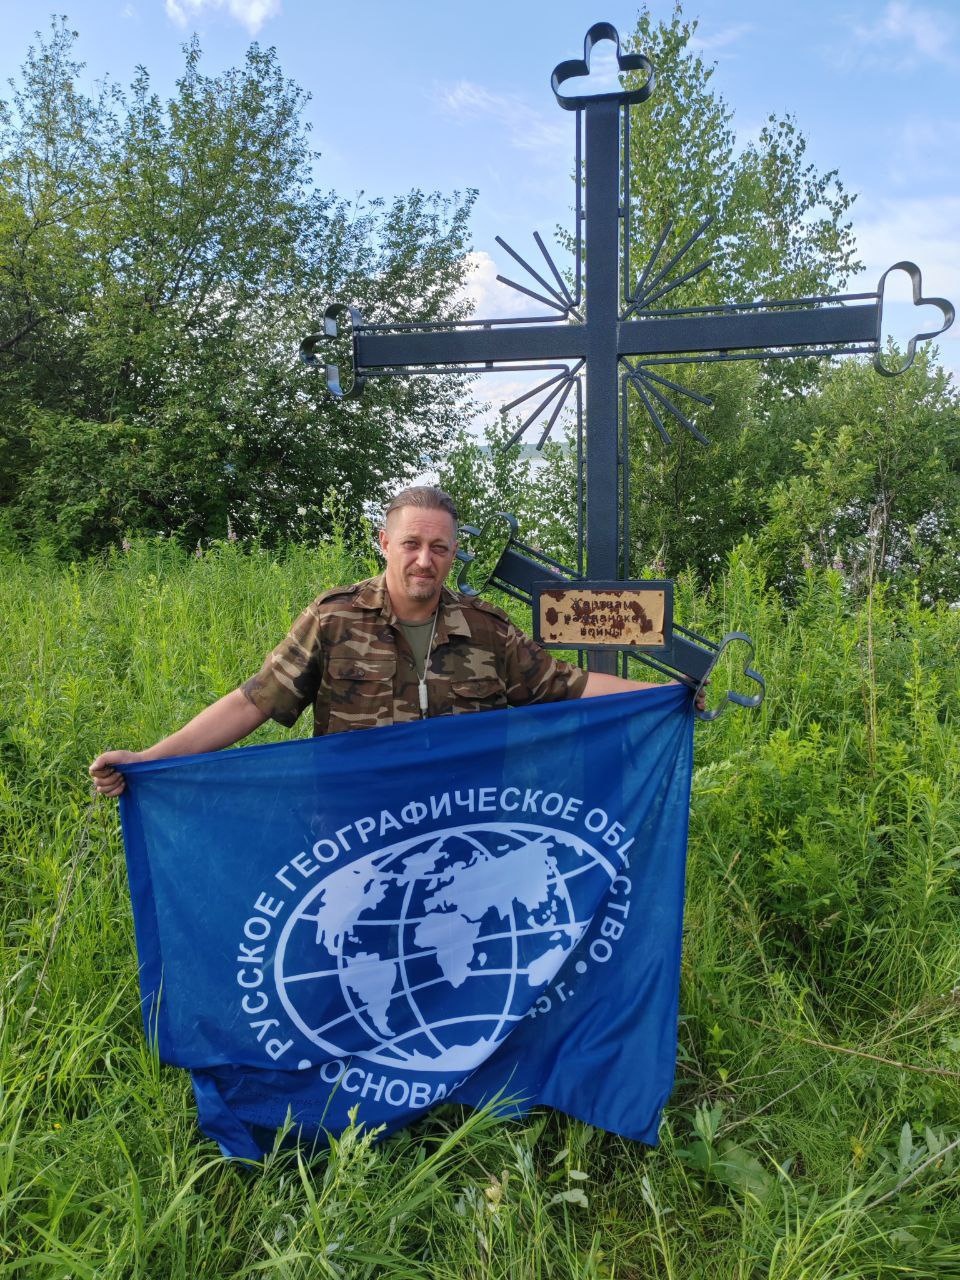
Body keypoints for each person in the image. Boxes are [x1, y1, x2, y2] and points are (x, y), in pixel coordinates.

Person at [90, 486, 696, 797]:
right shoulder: (335, 619)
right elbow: (254, 701)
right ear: (385, 543)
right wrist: (153, 757)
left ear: (453, 554)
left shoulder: (487, 630)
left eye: (439, 548)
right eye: (411, 544)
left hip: (463, 832)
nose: (424, 560)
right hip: (356, 832)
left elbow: (571, 686)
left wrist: (669, 696)